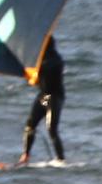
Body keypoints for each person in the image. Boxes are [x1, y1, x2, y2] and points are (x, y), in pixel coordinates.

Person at [18, 36, 66, 166]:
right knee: (30, 125)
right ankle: (25, 156)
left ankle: (61, 160)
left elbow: (43, 72)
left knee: (51, 129)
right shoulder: (40, 60)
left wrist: (30, 71)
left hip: (55, 97)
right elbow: (38, 79)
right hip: (44, 96)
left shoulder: (56, 61)